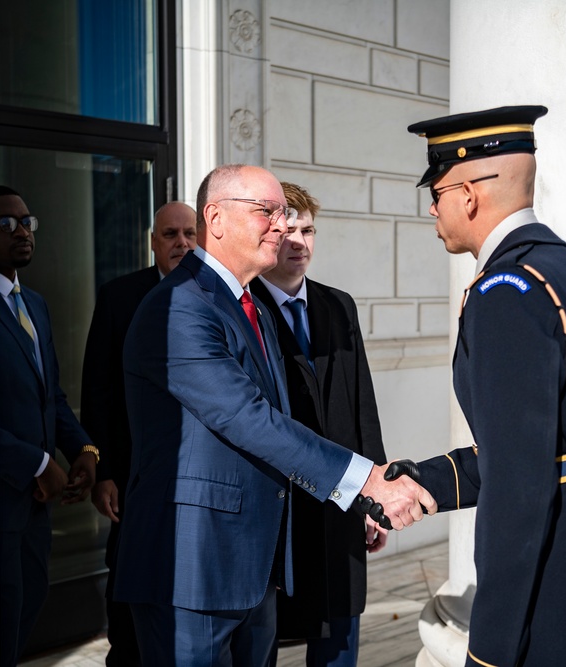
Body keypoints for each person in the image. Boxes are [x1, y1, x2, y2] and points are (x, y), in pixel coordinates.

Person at [389, 106, 566, 666]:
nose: (433, 207)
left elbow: (519, 488)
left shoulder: (505, 292)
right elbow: (562, 439)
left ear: (468, 195)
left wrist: (490, 647)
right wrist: (425, 481)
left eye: (438, 191)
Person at [112, 164, 436, 665]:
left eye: (285, 214)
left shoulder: (253, 307)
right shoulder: (178, 306)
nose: (283, 226)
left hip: (254, 567)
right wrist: (366, 482)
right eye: (269, 212)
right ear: (215, 218)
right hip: (190, 570)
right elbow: (249, 418)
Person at [252, 183, 386, 666]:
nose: (299, 243)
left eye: (308, 230)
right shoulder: (246, 310)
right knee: (264, 639)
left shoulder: (338, 304)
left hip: (341, 503)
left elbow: (362, 406)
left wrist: (377, 494)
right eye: (287, 232)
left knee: (339, 636)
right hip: (280, 507)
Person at [81, 201, 197, 667]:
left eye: (190, 233)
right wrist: (103, 470)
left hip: (194, 479)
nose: (181, 243)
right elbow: (98, 389)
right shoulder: (118, 297)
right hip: (131, 479)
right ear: (152, 242)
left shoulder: (224, 297)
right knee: (128, 611)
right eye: (170, 234)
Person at [0, 185, 99, 666]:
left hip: (37, 509)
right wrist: (38, 463)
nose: (21, 231)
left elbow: (50, 397)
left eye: (27, 221)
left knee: (27, 612)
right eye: (5, 223)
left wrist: (82, 451)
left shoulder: (33, 303)